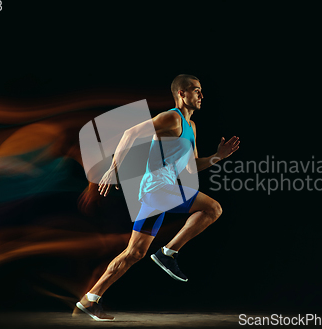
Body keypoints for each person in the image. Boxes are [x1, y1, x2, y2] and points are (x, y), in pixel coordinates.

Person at [75, 74, 240, 321]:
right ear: (182, 94)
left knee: (134, 253)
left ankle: (89, 300)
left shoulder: (191, 127)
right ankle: (168, 253)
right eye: (196, 90)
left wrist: (219, 156)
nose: (201, 96)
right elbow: (130, 133)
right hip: (157, 188)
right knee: (213, 209)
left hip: (160, 193)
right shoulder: (172, 117)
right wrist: (114, 167)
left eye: (202, 91)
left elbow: (192, 167)